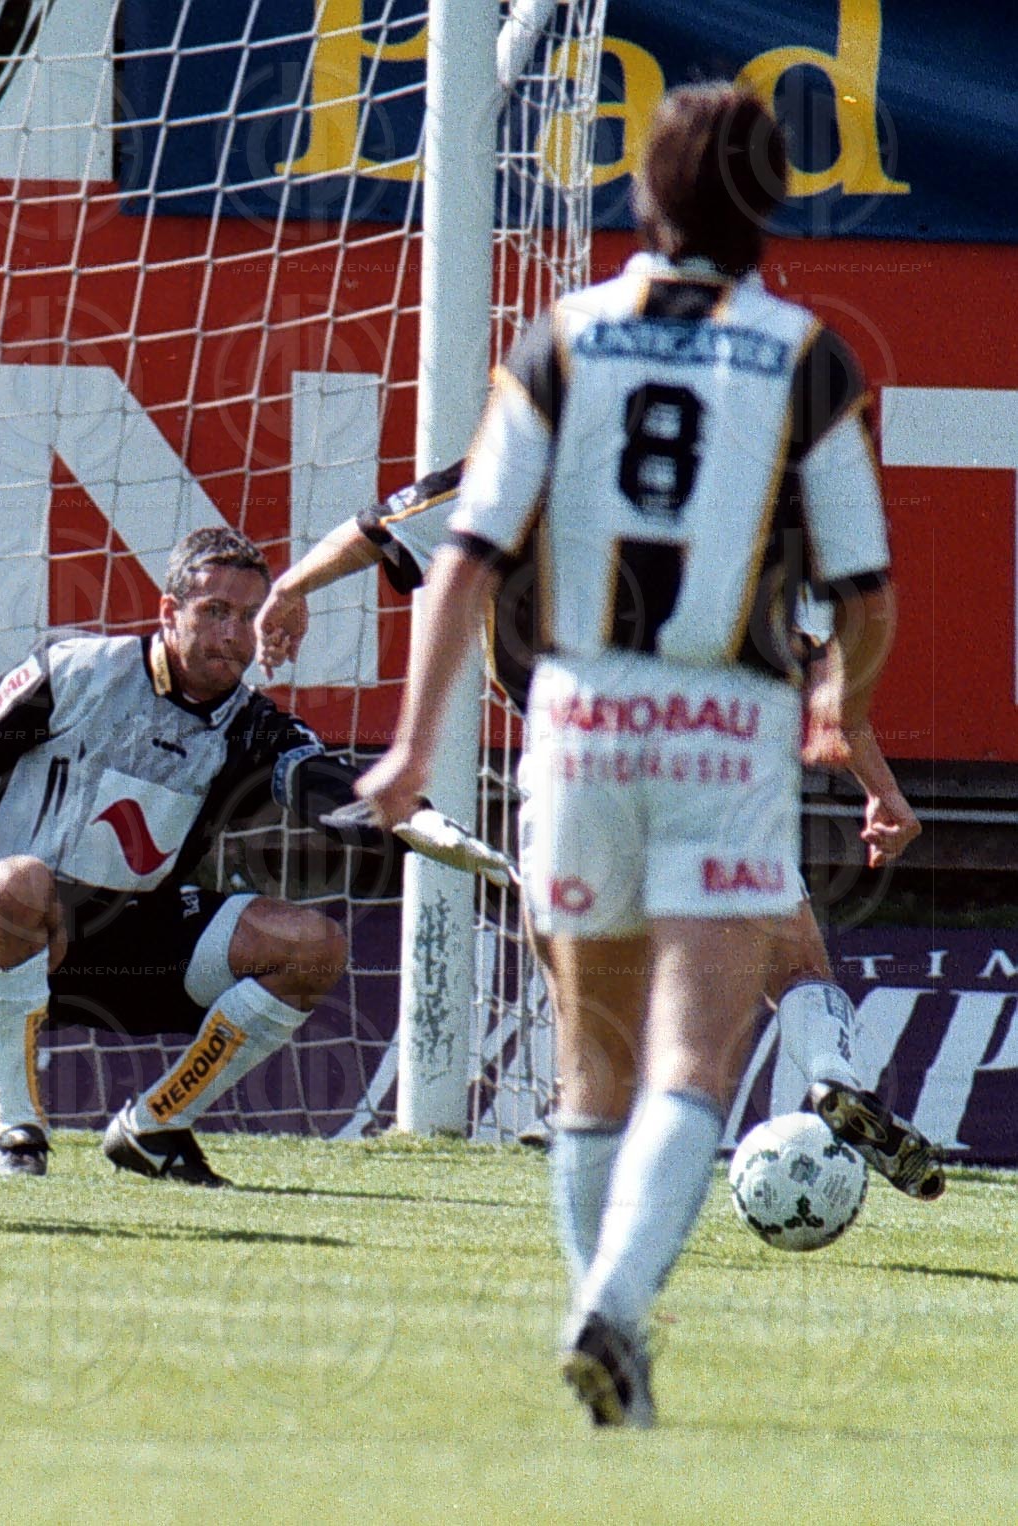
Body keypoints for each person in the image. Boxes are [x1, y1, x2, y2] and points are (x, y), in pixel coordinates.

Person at [354, 84, 897, 1426]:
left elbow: (465, 559)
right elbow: (866, 591)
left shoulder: (560, 338)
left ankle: (606, 1319)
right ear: (771, 204)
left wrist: (413, 742)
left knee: (590, 1059)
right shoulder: (807, 357)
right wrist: (844, 699)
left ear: (644, 196)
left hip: (579, 721)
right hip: (726, 729)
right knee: (692, 1059)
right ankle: (613, 1304)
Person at [257, 487, 943, 1200]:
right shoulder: (748, 493)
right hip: (710, 756)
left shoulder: (529, 462)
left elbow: (378, 532)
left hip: (579, 755)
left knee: (581, 964)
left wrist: (292, 586)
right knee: (795, 964)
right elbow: (825, 677)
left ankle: (582, 1113)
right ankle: (832, 1075)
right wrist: (881, 791)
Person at [0, 526, 378, 1186]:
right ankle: (17, 1130)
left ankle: (155, 1128)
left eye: (248, 617)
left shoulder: (255, 725)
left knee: (313, 947)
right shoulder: (75, 669)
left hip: (139, 939)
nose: (232, 635)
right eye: (214, 611)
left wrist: (410, 815)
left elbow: (326, 785)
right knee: (18, 881)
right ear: (168, 612)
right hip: (19, 925)